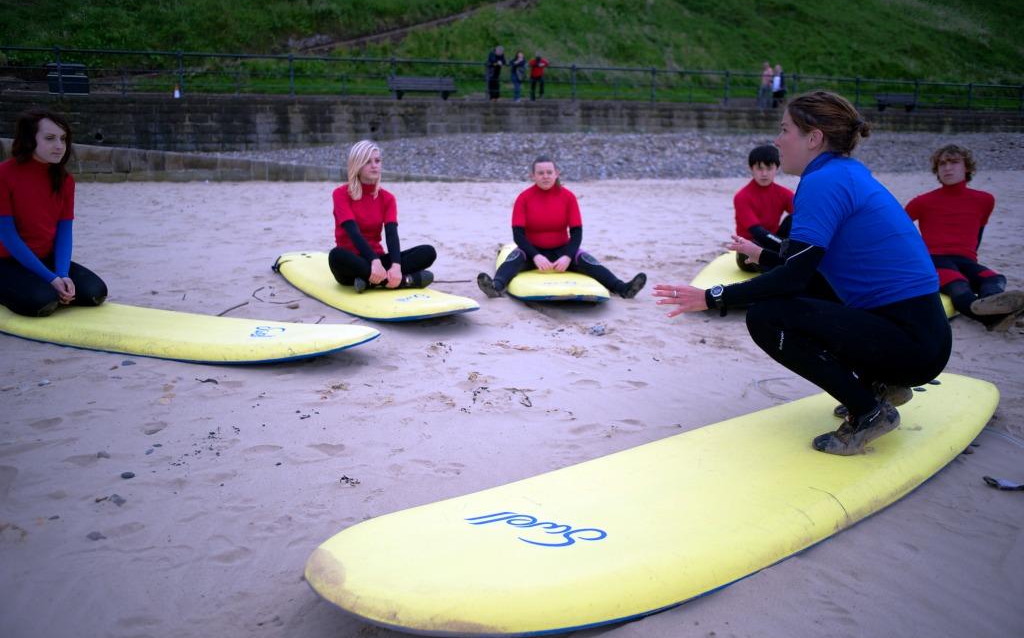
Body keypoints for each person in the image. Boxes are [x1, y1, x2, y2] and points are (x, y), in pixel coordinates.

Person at [654, 91, 951, 457]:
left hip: (912, 346)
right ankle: (880, 385)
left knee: (767, 317)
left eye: (785, 130)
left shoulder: (823, 182)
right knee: (806, 291)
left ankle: (870, 411)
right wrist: (759, 253)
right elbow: (807, 266)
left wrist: (712, 298)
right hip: (922, 335)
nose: (778, 141)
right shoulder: (846, 172)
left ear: (814, 138)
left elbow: (794, 277)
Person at [477, 156, 646, 299]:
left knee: (589, 261)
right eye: (540, 173)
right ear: (533, 176)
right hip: (530, 251)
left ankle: (624, 289)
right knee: (513, 260)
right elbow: (518, 235)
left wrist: (567, 256)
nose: (545, 176)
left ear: (556, 174)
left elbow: (577, 233)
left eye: (549, 172)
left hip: (562, 251)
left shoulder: (568, 197)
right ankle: (495, 287)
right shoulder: (524, 198)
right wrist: (535, 256)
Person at [905, 144, 1024, 331]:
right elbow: (898, 229)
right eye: (942, 164)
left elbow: (978, 234)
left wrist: (970, 258)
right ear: (937, 170)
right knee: (959, 287)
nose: (947, 168)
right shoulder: (922, 202)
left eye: (954, 162)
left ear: (966, 167)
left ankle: (994, 305)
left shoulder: (985, 200)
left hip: (966, 261)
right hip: (936, 261)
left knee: (994, 279)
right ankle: (992, 319)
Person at [0, 109, 107, 317]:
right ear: (30, 139)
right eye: (50, 138)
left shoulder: (65, 180)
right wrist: (50, 279)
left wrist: (62, 275)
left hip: (44, 257)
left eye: (63, 139)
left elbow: (64, 232)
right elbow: (8, 236)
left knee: (96, 293)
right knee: (43, 301)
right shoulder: (4, 175)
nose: (59, 146)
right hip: (6, 260)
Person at [327, 140, 435, 293]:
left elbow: (391, 235)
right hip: (351, 263)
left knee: (428, 252)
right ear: (357, 165)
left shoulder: (387, 198)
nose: (374, 165)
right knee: (335, 255)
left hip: (379, 263)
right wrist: (374, 261)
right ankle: (406, 281)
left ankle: (370, 282)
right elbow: (353, 233)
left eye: (377, 161)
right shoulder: (341, 194)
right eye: (368, 161)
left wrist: (396, 265)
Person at [731, 144, 793, 272]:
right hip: (747, 251)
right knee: (754, 244)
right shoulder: (742, 197)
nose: (764, 174)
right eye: (759, 168)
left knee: (794, 218)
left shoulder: (784, 193)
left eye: (769, 168)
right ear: (751, 168)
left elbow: (807, 216)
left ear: (777, 168)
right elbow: (757, 232)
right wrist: (784, 245)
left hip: (773, 246)